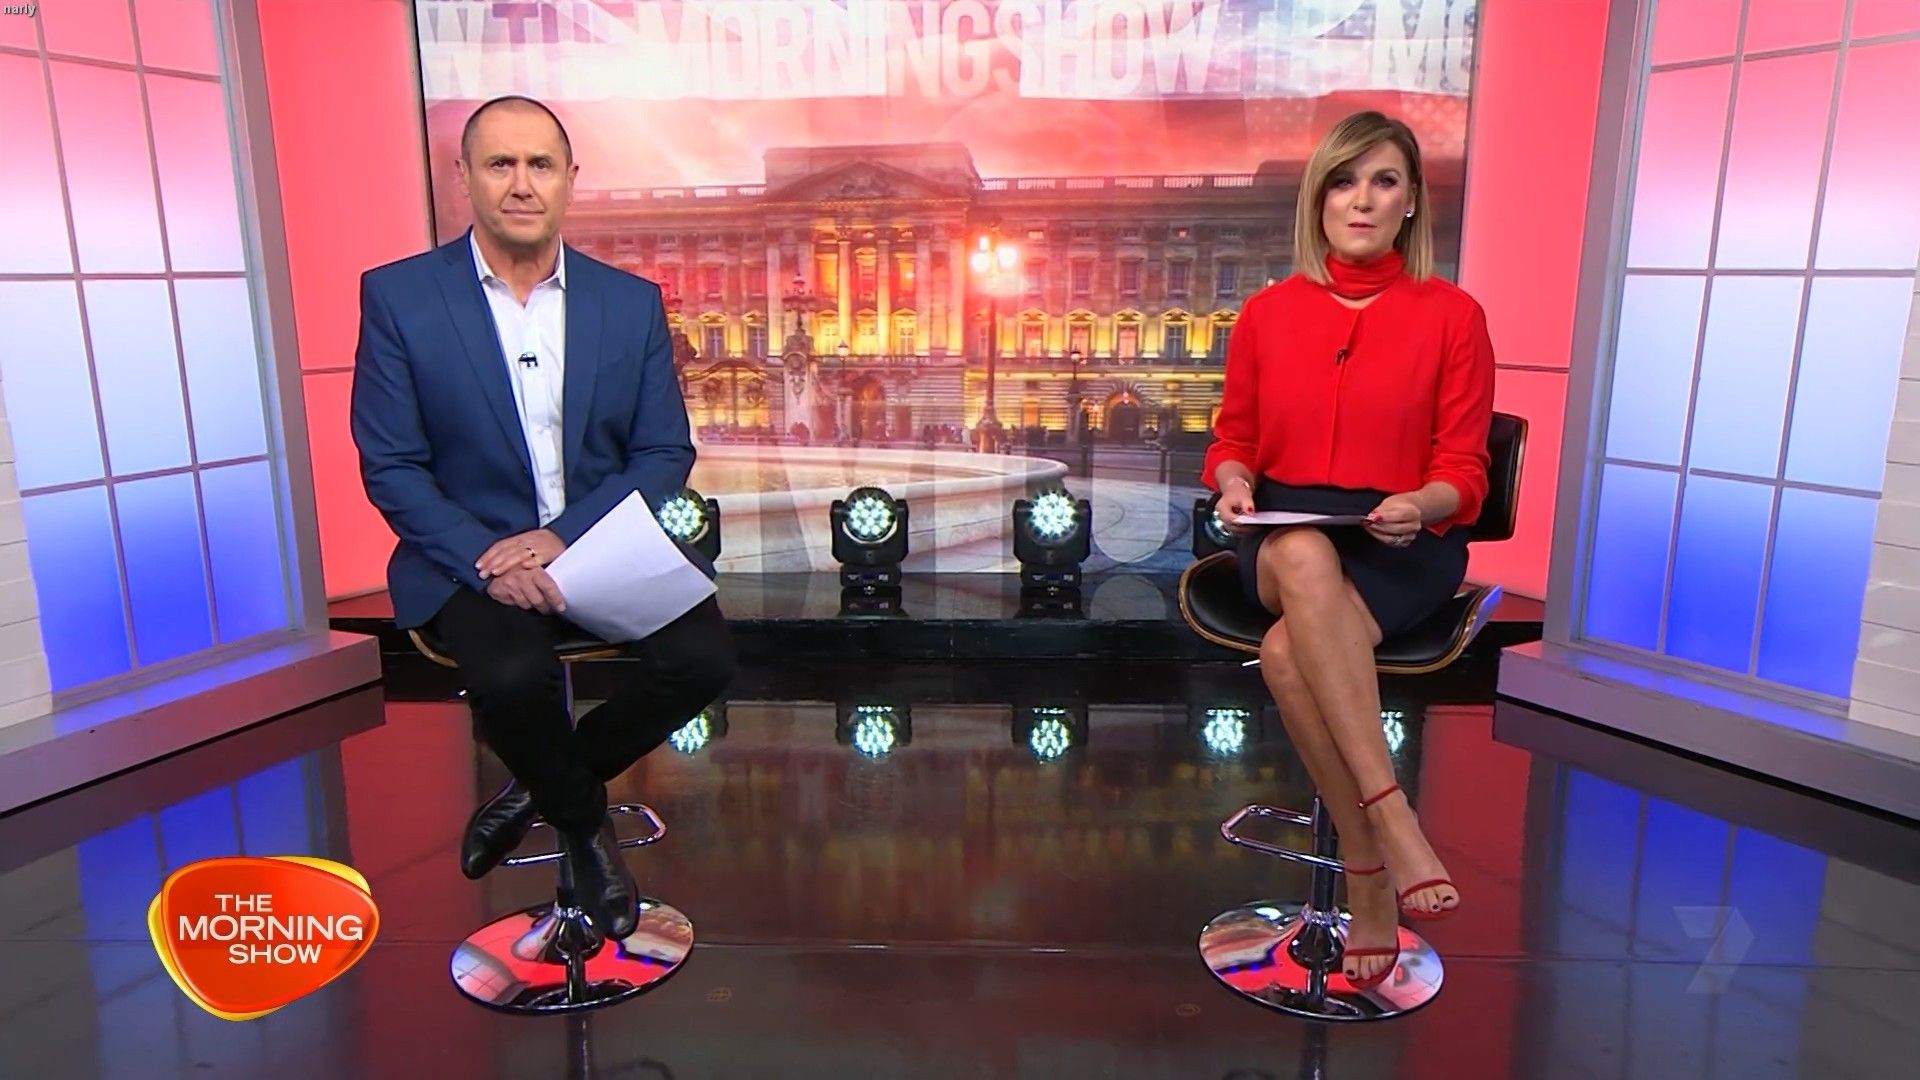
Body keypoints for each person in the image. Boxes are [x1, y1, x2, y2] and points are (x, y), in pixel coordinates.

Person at [350, 95, 735, 938]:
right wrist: (489, 557)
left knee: (703, 659)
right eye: (500, 164)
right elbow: (392, 465)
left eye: (540, 165)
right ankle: (584, 827)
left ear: (569, 180)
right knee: (511, 678)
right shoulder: (401, 298)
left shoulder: (628, 302)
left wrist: (562, 539)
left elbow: (662, 451)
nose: (521, 184)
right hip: (468, 557)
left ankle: (539, 787)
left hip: (598, 543)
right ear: (464, 178)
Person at [1203, 111, 1495, 988]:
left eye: (1383, 180)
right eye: (1343, 181)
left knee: (1288, 650)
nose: (1361, 200)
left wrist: (1420, 504)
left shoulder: (1454, 317)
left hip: (1399, 538)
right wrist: (1233, 484)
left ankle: (1365, 870)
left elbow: (1464, 473)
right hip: (1284, 531)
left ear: (1410, 203)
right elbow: (1233, 441)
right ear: (1319, 200)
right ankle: (1393, 817)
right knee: (1300, 553)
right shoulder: (1267, 314)